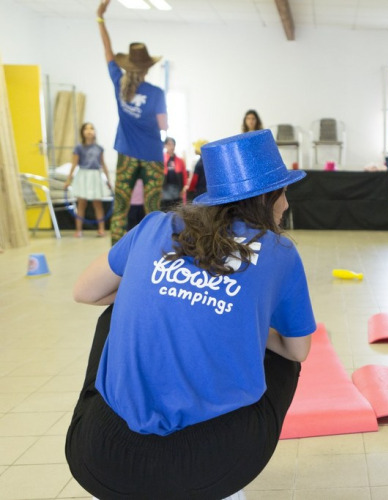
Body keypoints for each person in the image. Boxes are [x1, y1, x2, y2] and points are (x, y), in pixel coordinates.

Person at [65, 130, 315, 499]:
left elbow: (85, 292)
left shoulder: (155, 225)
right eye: (284, 192)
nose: (287, 204)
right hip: (212, 467)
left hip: (102, 458)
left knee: (113, 313)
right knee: (284, 357)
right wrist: (246, 320)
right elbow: (299, 350)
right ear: (266, 196)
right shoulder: (279, 251)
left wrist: (151, 289)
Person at [97, 0, 168, 244]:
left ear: (128, 66)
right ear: (147, 68)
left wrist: (100, 18)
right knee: (152, 208)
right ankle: (151, 248)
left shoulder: (119, 82)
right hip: (152, 156)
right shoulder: (156, 93)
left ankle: (116, 251)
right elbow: (163, 126)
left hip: (126, 154)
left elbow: (107, 51)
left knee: (120, 206)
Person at [63, 122, 112, 238]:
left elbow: (103, 164)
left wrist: (108, 180)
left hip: (95, 176)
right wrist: (68, 180)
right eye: (86, 129)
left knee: (97, 204)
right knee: (81, 203)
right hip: (83, 176)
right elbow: (74, 164)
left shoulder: (99, 148)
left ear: (94, 132)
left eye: (91, 128)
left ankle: (101, 229)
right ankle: (78, 230)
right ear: (82, 132)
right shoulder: (79, 148)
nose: (89, 131)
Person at [161, 136, 187, 211]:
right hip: (165, 188)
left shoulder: (179, 160)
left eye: (173, 144)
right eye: (169, 144)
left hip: (177, 188)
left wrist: (184, 187)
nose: (171, 146)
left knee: (176, 208)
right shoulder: (162, 159)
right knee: (166, 208)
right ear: (165, 145)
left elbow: (184, 174)